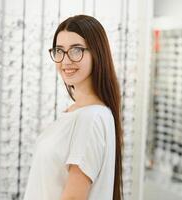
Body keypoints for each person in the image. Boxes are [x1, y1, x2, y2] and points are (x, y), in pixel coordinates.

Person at [23, 15, 123, 200]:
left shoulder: (90, 118)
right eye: (59, 51)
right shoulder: (78, 113)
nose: (65, 60)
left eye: (76, 50)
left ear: (97, 53)